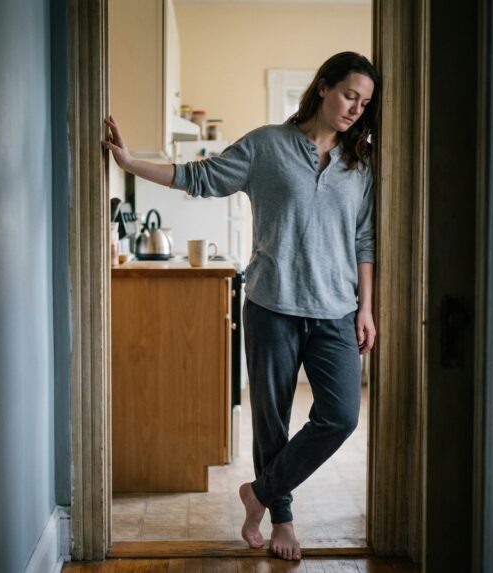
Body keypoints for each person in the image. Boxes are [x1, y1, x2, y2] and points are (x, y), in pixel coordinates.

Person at [102, 51, 381, 561]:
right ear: (323, 87)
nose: (355, 109)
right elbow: (201, 177)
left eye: (364, 103)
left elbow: (364, 240)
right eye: (348, 95)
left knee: (340, 415)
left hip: (336, 309)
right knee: (271, 418)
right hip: (272, 305)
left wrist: (365, 309)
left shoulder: (359, 164)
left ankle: (258, 491)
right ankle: (283, 520)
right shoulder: (267, 145)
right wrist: (130, 163)